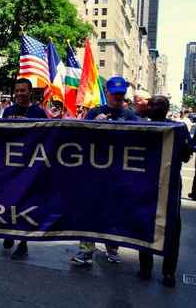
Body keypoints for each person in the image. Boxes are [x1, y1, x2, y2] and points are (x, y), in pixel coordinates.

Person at [71, 76, 139, 265]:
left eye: (121, 94)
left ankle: (113, 248)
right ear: (107, 93)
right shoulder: (94, 112)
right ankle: (86, 250)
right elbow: (79, 136)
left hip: (118, 174)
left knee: (115, 210)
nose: (118, 98)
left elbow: (144, 135)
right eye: (115, 94)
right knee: (89, 210)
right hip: (94, 174)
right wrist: (95, 125)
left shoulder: (129, 115)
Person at [138, 95, 193, 287]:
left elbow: (186, 157)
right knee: (144, 223)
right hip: (145, 184)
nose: (150, 107)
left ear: (165, 109)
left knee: (171, 228)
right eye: (150, 104)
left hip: (169, 186)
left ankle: (169, 272)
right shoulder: (140, 127)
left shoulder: (177, 129)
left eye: (155, 105)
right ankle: (145, 267)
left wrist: (181, 143)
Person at [1, 78, 48, 260]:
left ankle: (23, 243)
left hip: (30, 168)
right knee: (8, 201)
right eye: (17, 90)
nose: (19, 94)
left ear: (30, 92)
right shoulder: (8, 111)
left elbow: (46, 139)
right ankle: (9, 231)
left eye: (23, 90)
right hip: (10, 166)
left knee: (26, 205)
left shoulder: (39, 113)